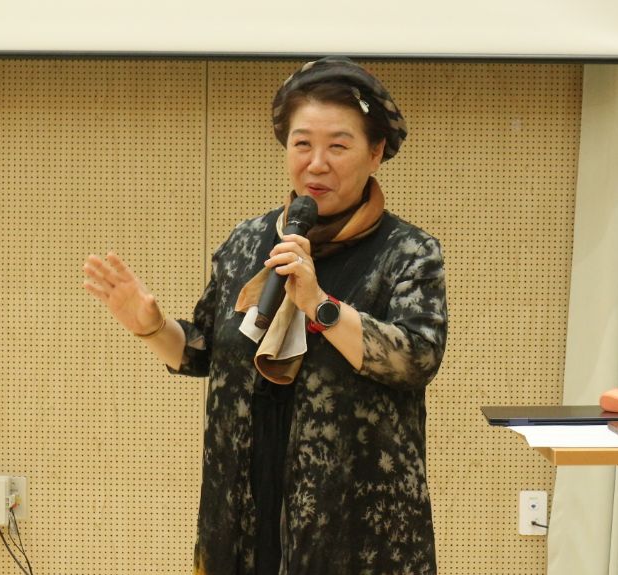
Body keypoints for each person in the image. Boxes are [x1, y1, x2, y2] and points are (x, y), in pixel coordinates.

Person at [82, 57, 448, 575]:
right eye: (302, 144)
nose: (316, 163)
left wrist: (319, 303)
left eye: (338, 146)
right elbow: (205, 350)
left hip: (352, 516)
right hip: (246, 497)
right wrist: (151, 326)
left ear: (375, 153)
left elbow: (417, 359)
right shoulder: (250, 240)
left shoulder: (407, 251)